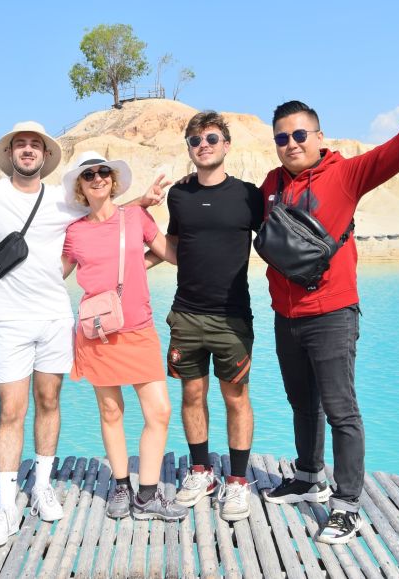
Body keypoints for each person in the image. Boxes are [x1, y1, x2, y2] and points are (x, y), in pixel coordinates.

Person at [0, 125, 169, 547]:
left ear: (45, 154)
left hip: (55, 317)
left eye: (35, 144)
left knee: (49, 402)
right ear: (9, 152)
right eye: (20, 143)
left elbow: (104, 211)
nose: (27, 149)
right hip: (8, 319)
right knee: (11, 410)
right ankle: (6, 507)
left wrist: (140, 203)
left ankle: (41, 486)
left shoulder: (63, 199)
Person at [261, 41, 399, 544]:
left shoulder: (347, 174)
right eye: (282, 137)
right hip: (285, 315)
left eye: (299, 134)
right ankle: (308, 477)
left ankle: (348, 504)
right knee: (301, 403)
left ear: (319, 136)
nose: (291, 143)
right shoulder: (269, 185)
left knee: (341, 410)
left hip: (332, 313)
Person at [60, 152, 187, 521]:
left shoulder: (135, 217)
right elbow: (53, 276)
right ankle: (120, 485)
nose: (97, 178)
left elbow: (169, 253)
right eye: (88, 175)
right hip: (97, 334)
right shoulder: (74, 232)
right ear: (81, 187)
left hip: (139, 328)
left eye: (103, 172)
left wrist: (206, 230)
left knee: (159, 411)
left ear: (112, 180)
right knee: (111, 411)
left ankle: (147, 495)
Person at [160, 111, 263, 521]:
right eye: (195, 140)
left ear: (226, 145)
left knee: (236, 397)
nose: (203, 145)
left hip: (232, 317)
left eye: (212, 138)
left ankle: (236, 481)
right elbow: (173, 246)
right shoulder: (179, 195)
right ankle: (201, 472)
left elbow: (278, 239)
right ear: (189, 148)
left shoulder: (248, 195)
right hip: (186, 314)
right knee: (191, 394)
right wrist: (129, 263)